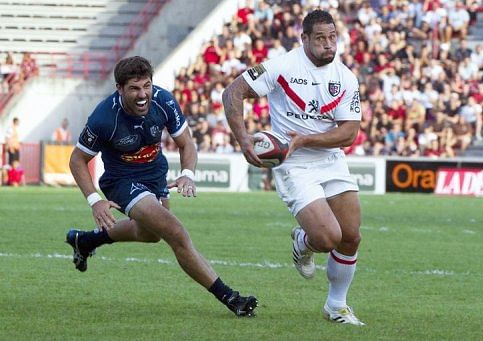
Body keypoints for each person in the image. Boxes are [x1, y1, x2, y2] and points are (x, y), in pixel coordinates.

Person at [66, 56, 257, 317]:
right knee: (175, 232)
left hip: (155, 174)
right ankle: (231, 298)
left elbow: (186, 143)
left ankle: (85, 240)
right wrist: (94, 200)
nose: (143, 94)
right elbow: (78, 159)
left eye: (147, 86)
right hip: (121, 181)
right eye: (134, 88)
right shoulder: (103, 117)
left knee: (150, 234)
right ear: (119, 89)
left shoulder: (164, 101)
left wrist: (188, 173)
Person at [222, 10, 364, 325]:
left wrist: (305, 139)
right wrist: (244, 139)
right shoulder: (281, 66)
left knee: (351, 235)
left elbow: (349, 132)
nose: (329, 45)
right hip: (293, 165)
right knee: (327, 239)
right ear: (304, 39)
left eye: (332, 38)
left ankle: (336, 306)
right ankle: (303, 241)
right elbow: (233, 92)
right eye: (320, 38)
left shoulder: (345, 77)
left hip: (329, 159)